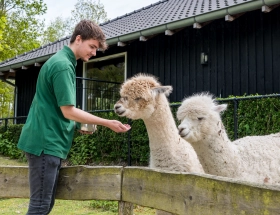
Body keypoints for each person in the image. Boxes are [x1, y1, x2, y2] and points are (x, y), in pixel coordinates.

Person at [17, 19, 131, 215]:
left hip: (48, 142)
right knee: (39, 206)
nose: (94, 53)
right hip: (46, 144)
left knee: (45, 205)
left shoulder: (63, 62)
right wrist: (107, 122)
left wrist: (77, 125)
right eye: (92, 46)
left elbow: (54, 108)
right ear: (78, 39)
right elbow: (68, 110)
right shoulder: (62, 66)